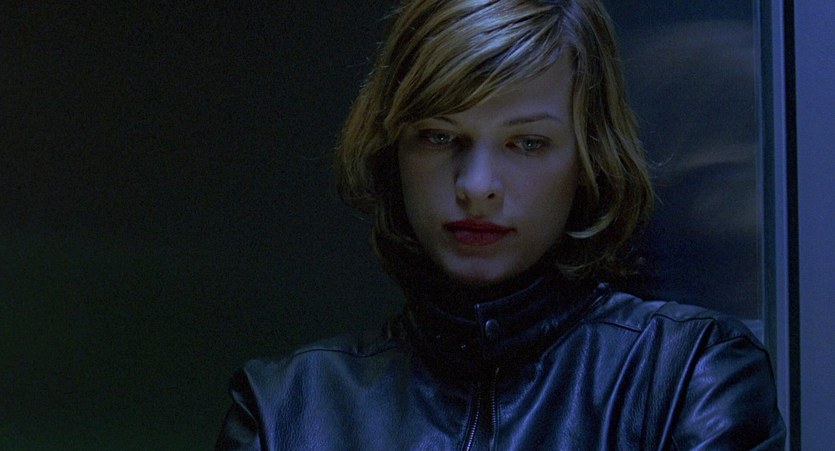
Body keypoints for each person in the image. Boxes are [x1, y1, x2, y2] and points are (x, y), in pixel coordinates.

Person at [216, 0, 785, 449]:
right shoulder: (286, 406)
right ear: (394, 154)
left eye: (526, 143)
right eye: (439, 137)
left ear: (588, 160)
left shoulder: (689, 376)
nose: (476, 185)